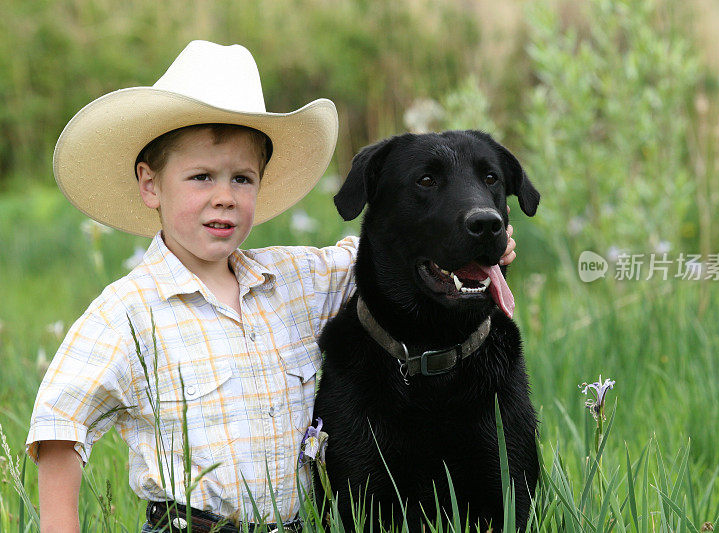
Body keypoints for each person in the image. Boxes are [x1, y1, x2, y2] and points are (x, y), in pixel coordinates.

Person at [26, 40, 517, 533]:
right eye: (201, 177)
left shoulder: (293, 281)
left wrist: (474, 251)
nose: (223, 197)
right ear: (150, 184)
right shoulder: (128, 311)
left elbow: (384, 252)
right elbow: (61, 422)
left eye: (241, 179)